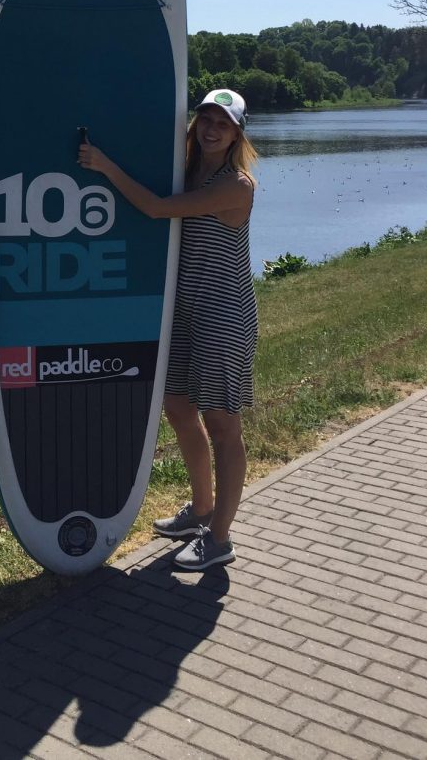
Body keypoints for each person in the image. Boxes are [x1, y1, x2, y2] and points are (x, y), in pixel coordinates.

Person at [78, 88, 258, 572]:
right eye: (206, 118)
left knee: (223, 425)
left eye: (224, 122)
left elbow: (157, 209)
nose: (212, 128)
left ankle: (219, 538)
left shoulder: (237, 185)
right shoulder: (188, 169)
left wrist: (105, 166)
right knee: (178, 408)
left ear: (238, 132)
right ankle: (200, 509)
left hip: (223, 315)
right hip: (184, 313)